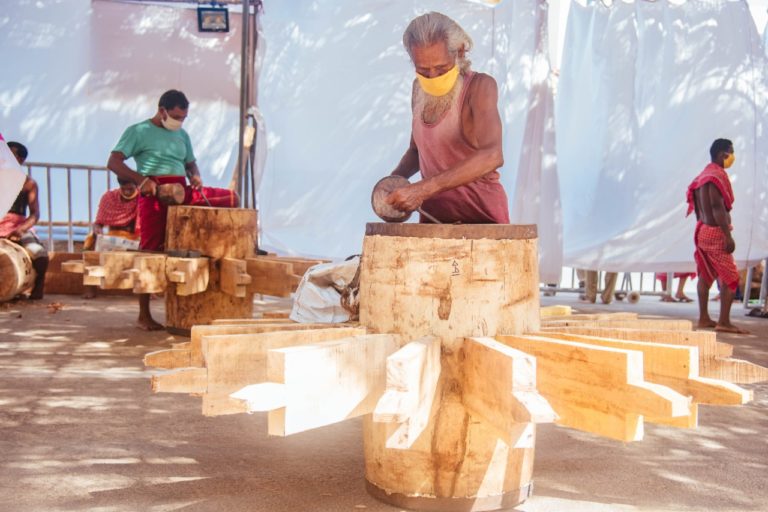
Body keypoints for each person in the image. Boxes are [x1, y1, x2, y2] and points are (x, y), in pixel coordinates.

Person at [107, 89, 238, 330]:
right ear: (161, 111)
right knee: (150, 249)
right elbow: (114, 162)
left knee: (231, 198)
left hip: (182, 190)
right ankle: (143, 315)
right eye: (176, 116)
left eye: (184, 118)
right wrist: (142, 181)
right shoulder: (138, 131)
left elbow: (190, 163)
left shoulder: (183, 135)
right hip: (154, 192)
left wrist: (195, 175)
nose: (179, 121)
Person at [384, 12, 509, 224]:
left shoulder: (480, 87)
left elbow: (493, 155)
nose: (432, 77)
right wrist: (392, 182)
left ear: (459, 52)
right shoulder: (418, 90)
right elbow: (417, 151)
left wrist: (423, 189)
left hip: (482, 218)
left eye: (441, 69)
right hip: (434, 220)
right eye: (423, 70)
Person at [686, 138, 748, 334]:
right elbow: (716, 207)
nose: (732, 157)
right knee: (731, 277)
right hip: (715, 232)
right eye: (731, 152)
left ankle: (704, 318)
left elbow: (698, 208)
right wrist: (727, 236)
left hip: (703, 230)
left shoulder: (701, 177)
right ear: (723, 154)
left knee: (705, 275)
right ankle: (724, 322)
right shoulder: (715, 176)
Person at [0, 142, 48, 300]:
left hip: (18, 225)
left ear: (20, 160)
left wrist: (20, 230)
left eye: (10, 155)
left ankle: (38, 287)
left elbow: (35, 214)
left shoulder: (28, 183)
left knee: (39, 254)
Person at [82, 178, 141, 299]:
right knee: (90, 242)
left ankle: (148, 290)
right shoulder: (109, 198)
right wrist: (97, 229)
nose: (128, 192)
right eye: (124, 189)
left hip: (134, 238)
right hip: (112, 237)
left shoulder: (142, 199)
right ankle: (90, 287)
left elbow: (145, 223)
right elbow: (98, 222)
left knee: (150, 248)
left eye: (130, 189)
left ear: (136, 186)